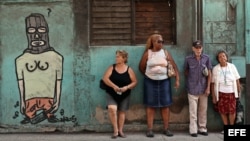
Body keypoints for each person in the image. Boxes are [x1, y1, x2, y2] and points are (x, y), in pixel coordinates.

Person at [15, 13, 63, 124]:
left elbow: (58, 81)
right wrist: (22, 101)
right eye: (31, 31)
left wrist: (57, 99)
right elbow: (21, 83)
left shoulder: (56, 57)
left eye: (41, 30)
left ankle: (49, 115)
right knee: (30, 108)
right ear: (27, 33)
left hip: (49, 97)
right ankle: (29, 116)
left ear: (47, 32)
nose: (36, 36)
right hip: (30, 98)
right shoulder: (21, 60)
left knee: (48, 106)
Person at [139, 33, 180, 138]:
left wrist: (177, 80)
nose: (161, 43)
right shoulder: (147, 53)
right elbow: (141, 67)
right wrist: (150, 75)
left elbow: (174, 66)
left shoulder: (165, 52)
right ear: (153, 42)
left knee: (165, 105)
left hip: (164, 81)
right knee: (150, 105)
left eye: (162, 41)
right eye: (159, 41)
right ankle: (149, 129)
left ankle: (166, 129)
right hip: (150, 82)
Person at [102, 50, 137, 139]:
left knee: (122, 111)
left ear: (124, 58)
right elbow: (105, 79)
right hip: (111, 92)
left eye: (118, 57)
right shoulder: (112, 67)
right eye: (116, 56)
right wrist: (114, 86)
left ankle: (120, 130)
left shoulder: (129, 69)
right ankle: (115, 130)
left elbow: (134, 82)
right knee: (112, 108)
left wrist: (126, 87)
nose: (116, 58)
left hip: (124, 93)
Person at [183, 40, 212, 137]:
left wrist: (208, 88)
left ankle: (202, 128)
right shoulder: (188, 59)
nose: (198, 50)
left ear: (202, 48)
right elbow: (186, 71)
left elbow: (209, 74)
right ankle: (193, 130)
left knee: (203, 110)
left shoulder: (206, 58)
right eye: (196, 48)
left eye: (200, 48)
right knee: (193, 111)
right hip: (192, 88)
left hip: (204, 88)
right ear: (193, 49)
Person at [211, 50, 241, 133]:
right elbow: (212, 83)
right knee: (222, 110)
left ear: (226, 57)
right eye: (220, 57)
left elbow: (237, 79)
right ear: (218, 59)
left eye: (223, 56)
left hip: (231, 92)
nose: (222, 58)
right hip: (221, 93)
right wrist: (213, 96)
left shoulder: (232, 66)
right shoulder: (216, 68)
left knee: (232, 111)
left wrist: (238, 91)